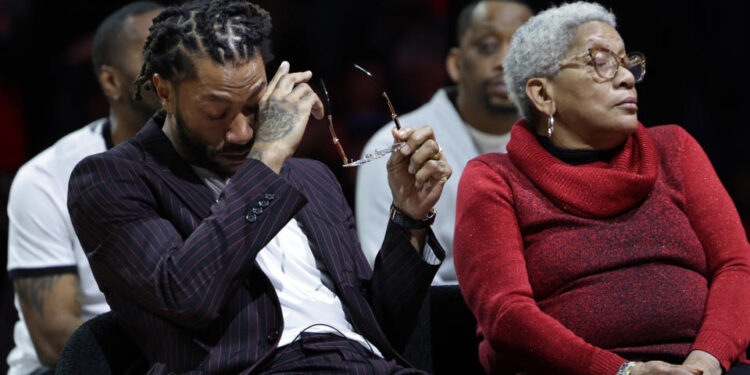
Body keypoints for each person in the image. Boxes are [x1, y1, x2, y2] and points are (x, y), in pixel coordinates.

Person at [66, 0, 453, 373]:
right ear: (164, 92)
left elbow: (385, 329)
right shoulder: (112, 179)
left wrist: (410, 218)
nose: (242, 132)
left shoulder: (311, 178)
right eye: (216, 113)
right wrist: (266, 157)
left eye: (254, 106)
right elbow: (187, 297)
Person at [453, 2, 750, 375]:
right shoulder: (495, 180)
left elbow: (737, 267)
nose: (626, 77)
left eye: (626, 62)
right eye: (599, 62)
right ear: (544, 95)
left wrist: (703, 364)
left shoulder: (674, 148)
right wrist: (624, 371)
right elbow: (506, 315)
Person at [5, 2, 162, 374]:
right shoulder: (47, 178)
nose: (173, 63)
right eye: (154, 50)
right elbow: (53, 339)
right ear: (110, 81)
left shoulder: (219, 157)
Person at [356, 0, 532, 284]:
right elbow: (388, 285)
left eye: (522, 49)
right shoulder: (397, 147)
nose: (505, 61)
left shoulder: (558, 138)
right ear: (456, 64)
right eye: (487, 46)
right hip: (442, 321)